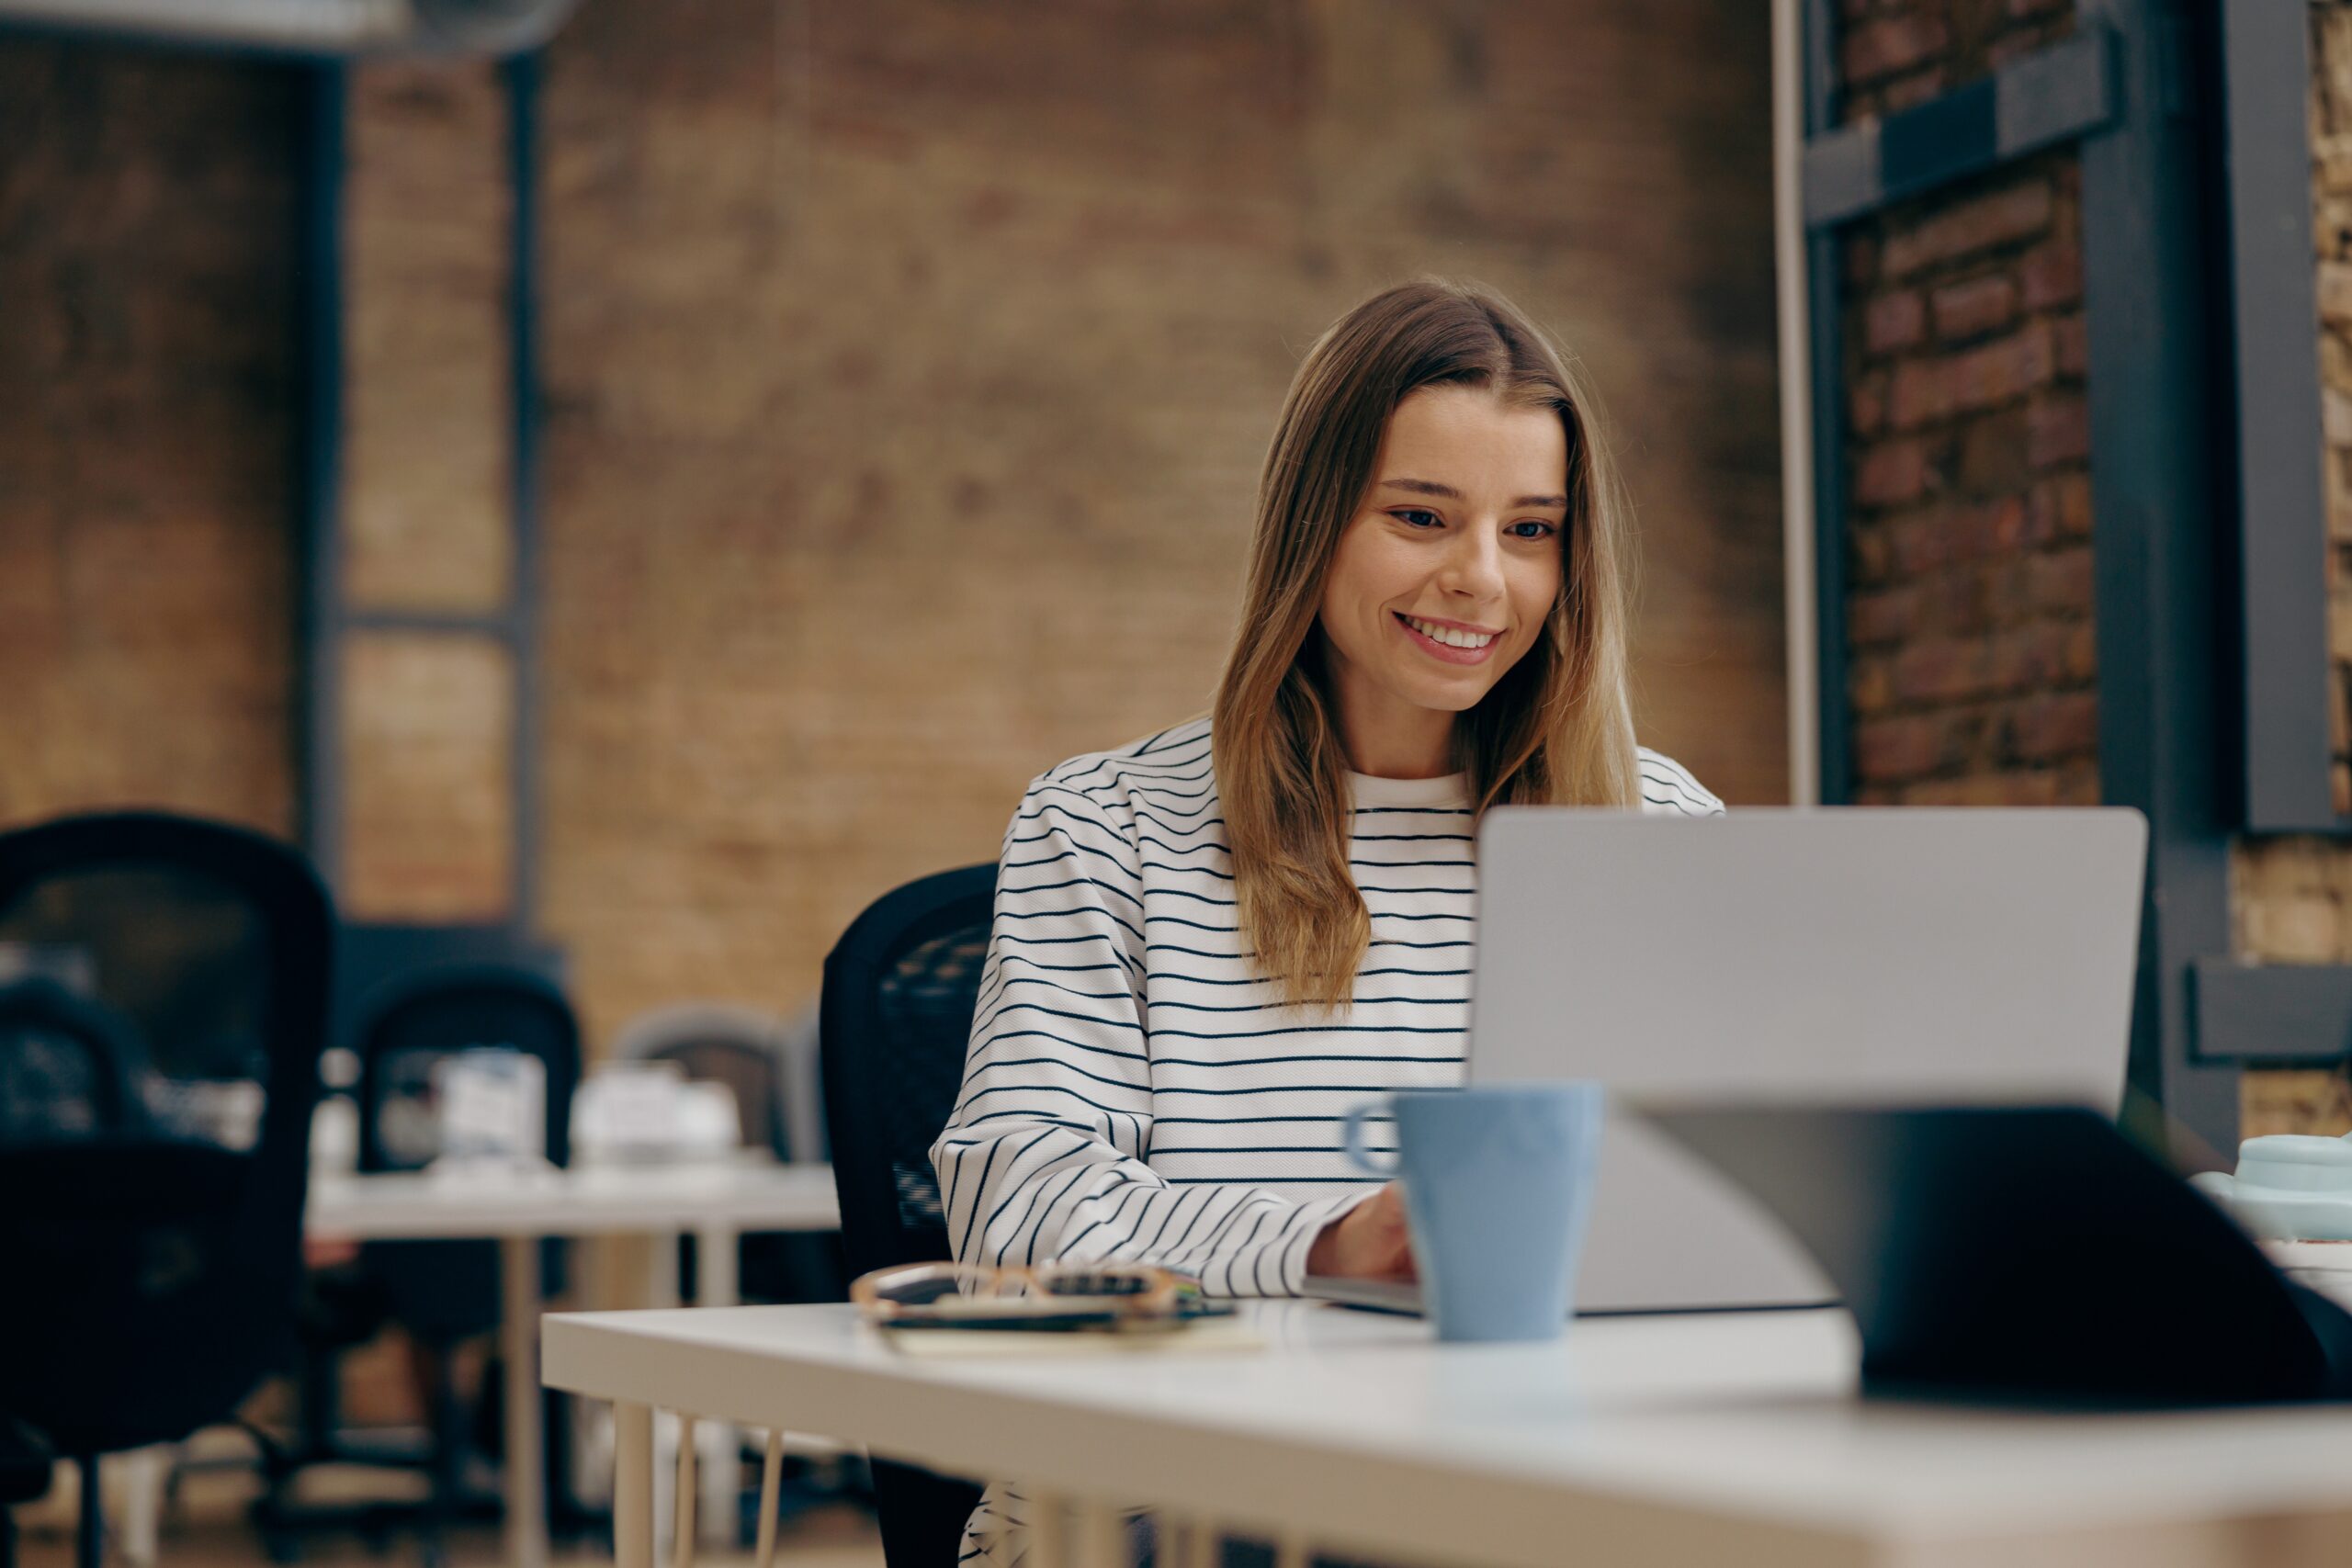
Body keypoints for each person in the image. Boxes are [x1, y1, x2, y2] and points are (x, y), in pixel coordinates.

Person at [929, 276, 1724, 1561]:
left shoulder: (1662, 832)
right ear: (1317, 526)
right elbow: (1018, 1207)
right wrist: (1335, 1239)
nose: (1479, 579)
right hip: (1167, 1512)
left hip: (1534, 1497)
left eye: (1532, 530)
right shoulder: (1106, 828)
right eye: (1422, 516)